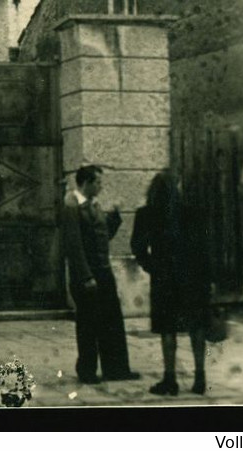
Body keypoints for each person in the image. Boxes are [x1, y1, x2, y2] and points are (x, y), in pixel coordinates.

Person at [131, 169, 211, 397]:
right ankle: (199, 378)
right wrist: (207, 278)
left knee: (168, 328)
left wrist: (152, 267)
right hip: (193, 278)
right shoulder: (193, 212)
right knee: (196, 326)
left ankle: (170, 379)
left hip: (164, 279)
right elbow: (204, 248)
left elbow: (137, 246)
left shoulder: (146, 213)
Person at [62, 164, 140, 385]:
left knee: (112, 322)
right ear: (86, 183)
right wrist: (85, 276)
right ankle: (86, 371)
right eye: (98, 182)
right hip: (87, 275)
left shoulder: (93, 205)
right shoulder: (72, 206)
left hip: (103, 272)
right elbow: (74, 246)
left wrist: (114, 215)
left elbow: (104, 235)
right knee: (88, 324)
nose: (101, 186)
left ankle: (116, 369)